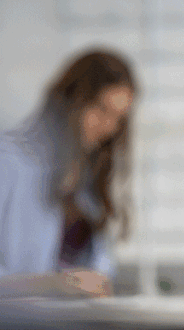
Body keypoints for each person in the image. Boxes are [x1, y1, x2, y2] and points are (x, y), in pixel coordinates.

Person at [0, 48, 136, 299]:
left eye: (118, 118)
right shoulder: (8, 163)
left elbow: (101, 272)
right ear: (70, 100)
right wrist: (53, 285)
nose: (108, 127)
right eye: (101, 110)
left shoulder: (87, 181)